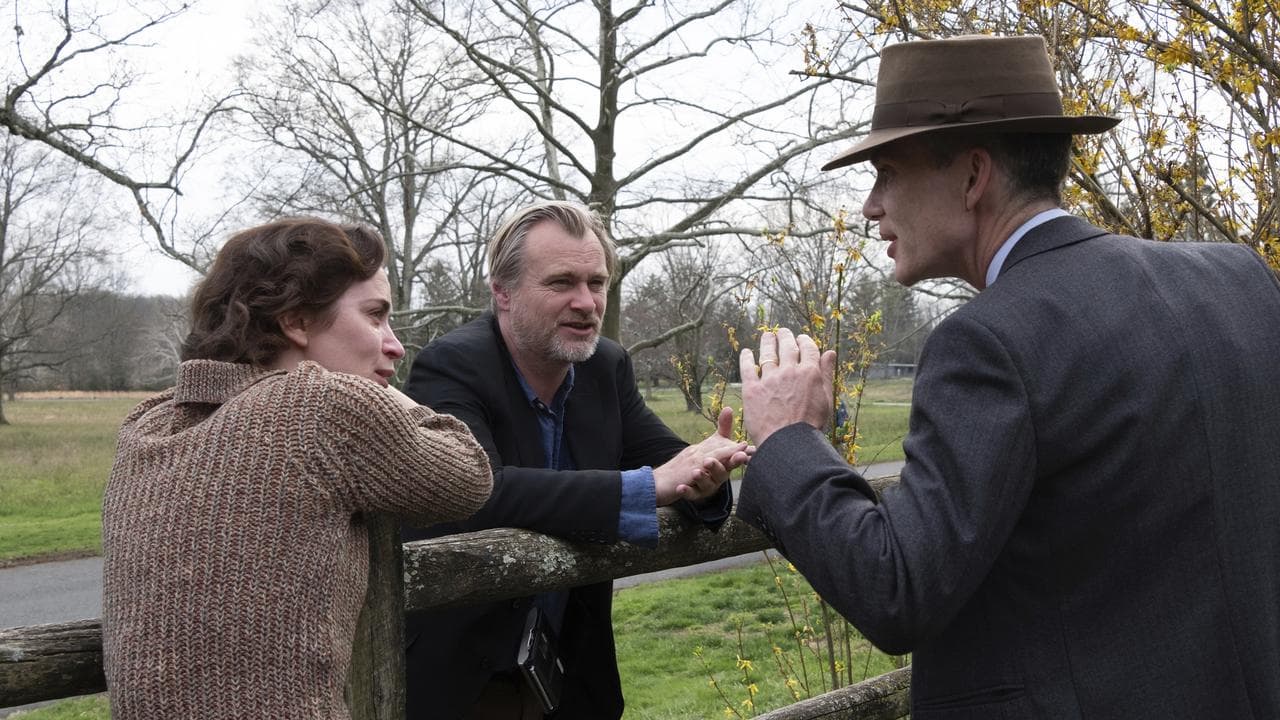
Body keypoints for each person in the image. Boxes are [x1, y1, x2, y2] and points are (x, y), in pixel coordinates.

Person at [735, 35, 1280, 719]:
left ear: (972, 175)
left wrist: (788, 439)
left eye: (886, 172)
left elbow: (898, 587)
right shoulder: (1241, 280)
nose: (871, 205)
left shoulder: (988, 342)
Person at [101, 218, 494, 720]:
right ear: (298, 322)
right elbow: (468, 475)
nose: (393, 344)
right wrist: (380, 392)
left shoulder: (147, 424)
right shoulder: (314, 407)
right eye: (375, 317)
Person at [401, 200, 751, 719]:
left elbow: (672, 461)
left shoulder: (604, 367)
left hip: (566, 673)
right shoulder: (451, 366)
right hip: (467, 675)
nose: (586, 303)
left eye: (597, 282)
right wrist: (648, 487)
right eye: (561, 282)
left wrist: (706, 475)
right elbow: (482, 491)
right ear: (502, 292)